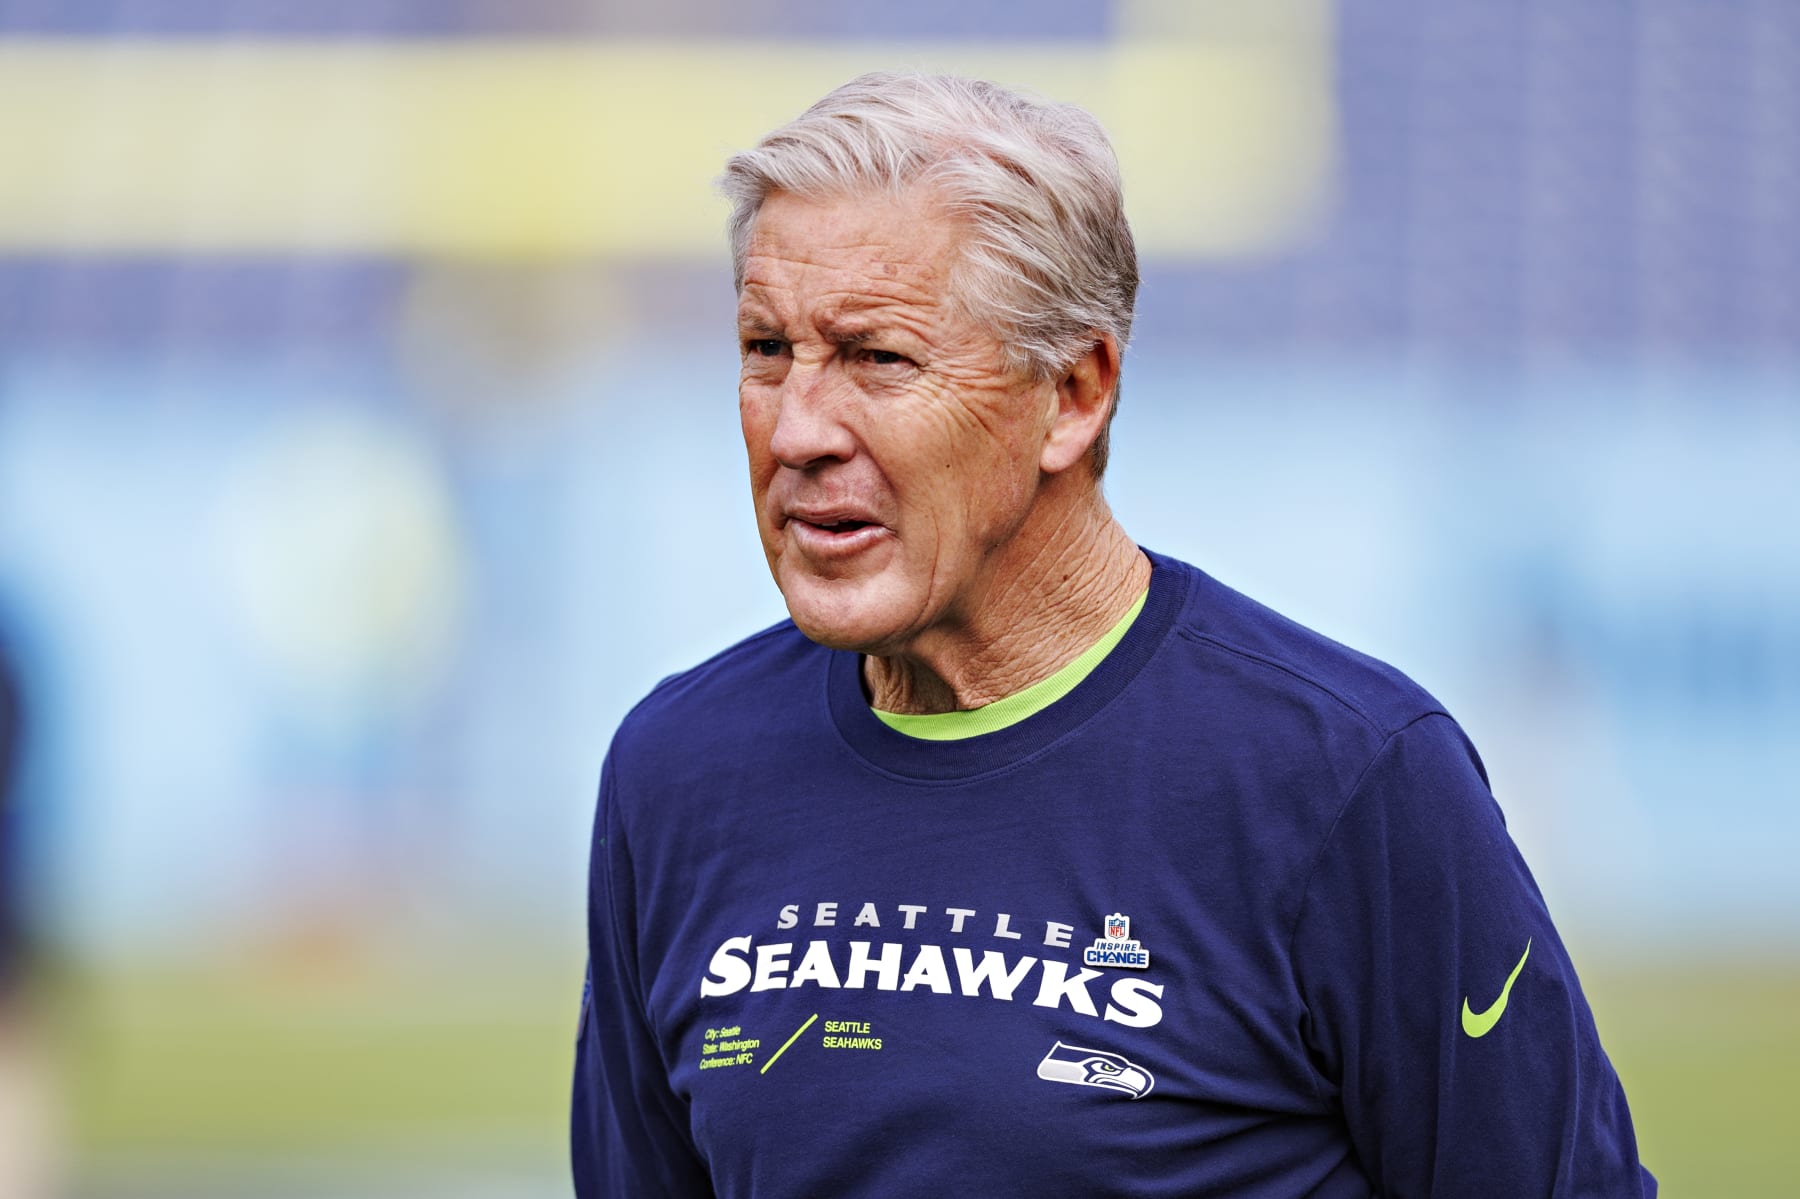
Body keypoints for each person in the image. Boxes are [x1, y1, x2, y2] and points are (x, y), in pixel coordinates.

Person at [571, 72, 1654, 1197]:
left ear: (1075, 391)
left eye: (877, 357)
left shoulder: (1346, 777)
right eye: (764, 348)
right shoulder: (678, 768)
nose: (798, 428)